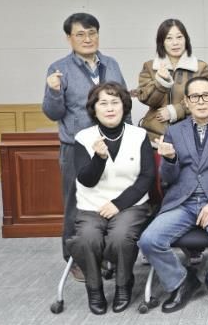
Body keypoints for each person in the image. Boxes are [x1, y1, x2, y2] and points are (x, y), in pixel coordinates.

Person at [138, 76, 208, 313]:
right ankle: (181, 281)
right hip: (183, 201)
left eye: (206, 95)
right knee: (148, 240)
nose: (201, 101)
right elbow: (168, 178)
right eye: (195, 96)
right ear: (187, 101)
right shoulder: (174, 131)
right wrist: (170, 159)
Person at [43, 12, 128, 281]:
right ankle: (75, 259)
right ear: (69, 38)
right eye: (80, 34)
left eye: (92, 33)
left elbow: (124, 103)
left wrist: (127, 140)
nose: (87, 39)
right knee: (76, 204)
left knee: (109, 201)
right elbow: (53, 113)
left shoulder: (111, 64)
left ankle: (105, 255)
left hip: (111, 145)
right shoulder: (58, 69)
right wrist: (53, 91)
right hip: (76, 148)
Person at [67, 82, 154, 315]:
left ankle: (124, 284)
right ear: (94, 109)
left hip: (130, 205)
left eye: (115, 102)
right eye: (103, 103)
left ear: (124, 106)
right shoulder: (84, 138)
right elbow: (86, 180)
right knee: (87, 238)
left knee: (120, 237)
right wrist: (99, 158)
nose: (109, 108)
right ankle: (94, 288)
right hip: (91, 206)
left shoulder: (139, 135)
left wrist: (118, 204)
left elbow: (147, 177)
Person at [137, 18, 208, 143]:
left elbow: (206, 99)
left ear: (186, 40)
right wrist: (161, 82)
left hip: (190, 134)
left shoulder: (200, 67)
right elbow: (146, 98)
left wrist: (176, 111)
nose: (175, 43)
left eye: (179, 37)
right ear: (162, 42)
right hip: (155, 135)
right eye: (169, 38)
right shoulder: (150, 66)